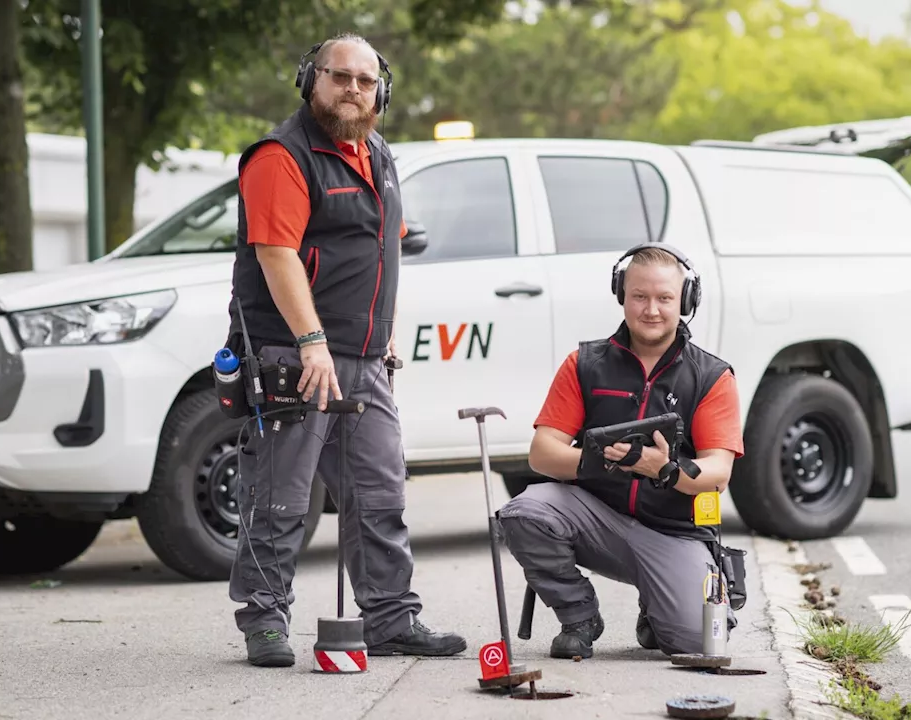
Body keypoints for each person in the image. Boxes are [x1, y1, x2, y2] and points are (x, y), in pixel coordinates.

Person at [225, 32, 467, 668]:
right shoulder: (281, 156)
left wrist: (383, 332)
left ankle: (390, 618)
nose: (353, 90)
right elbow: (277, 256)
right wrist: (312, 343)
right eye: (339, 77)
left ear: (379, 90)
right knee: (279, 496)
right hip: (293, 354)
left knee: (380, 494)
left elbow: (379, 249)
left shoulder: (378, 154)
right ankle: (265, 622)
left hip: (363, 359)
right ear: (312, 81)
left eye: (364, 80)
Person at [496, 243, 745, 660]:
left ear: (685, 301)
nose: (651, 309)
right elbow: (541, 453)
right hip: (597, 520)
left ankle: (657, 609)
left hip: (674, 533)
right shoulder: (584, 363)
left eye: (665, 298)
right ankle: (579, 616)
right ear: (621, 295)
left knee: (699, 643)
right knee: (525, 511)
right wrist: (609, 461)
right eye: (639, 296)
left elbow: (718, 472)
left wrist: (660, 467)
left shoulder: (712, 377)